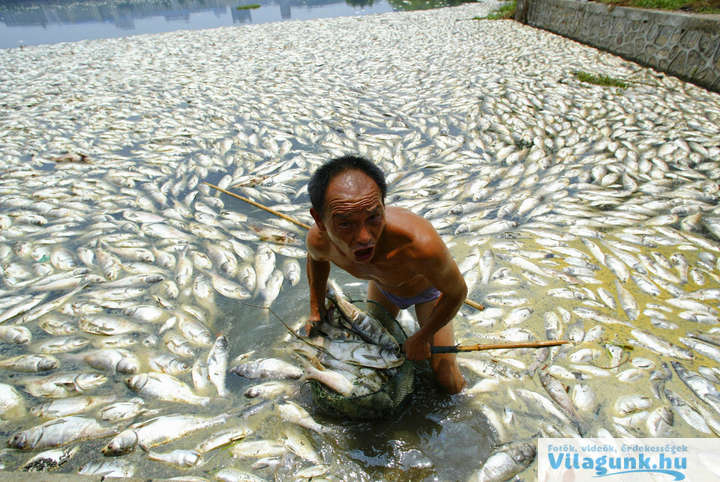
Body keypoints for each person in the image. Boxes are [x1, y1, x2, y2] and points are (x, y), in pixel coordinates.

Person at [304, 155, 467, 394]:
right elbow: (315, 261)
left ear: (383, 204)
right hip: (383, 289)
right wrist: (316, 309)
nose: (364, 238)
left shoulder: (420, 245)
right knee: (378, 355)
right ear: (319, 219)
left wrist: (423, 336)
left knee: (446, 379)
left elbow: (457, 292)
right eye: (346, 224)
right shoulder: (319, 242)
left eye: (373, 217)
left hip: (428, 294)